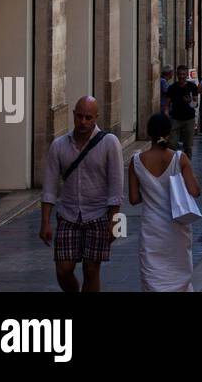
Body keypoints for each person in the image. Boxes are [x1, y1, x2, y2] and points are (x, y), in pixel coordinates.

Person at [40, 96, 124, 292]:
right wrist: (45, 221)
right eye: (79, 116)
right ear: (73, 116)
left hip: (98, 215)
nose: (83, 122)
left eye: (88, 117)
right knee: (63, 269)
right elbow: (50, 187)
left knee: (91, 269)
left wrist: (115, 223)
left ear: (96, 117)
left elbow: (116, 187)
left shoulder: (110, 143)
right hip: (68, 214)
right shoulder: (59, 145)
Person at [128, 112, 200, 292]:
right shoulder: (179, 158)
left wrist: (151, 191)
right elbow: (195, 191)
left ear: (149, 133)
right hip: (177, 228)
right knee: (179, 277)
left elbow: (134, 199)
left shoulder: (136, 161)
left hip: (152, 230)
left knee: (153, 279)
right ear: (169, 133)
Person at [167, 65, 199, 157]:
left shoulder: (192, 87)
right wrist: (166, 115)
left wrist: (190, 102)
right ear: (177, 75)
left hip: (189, 119)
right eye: (180, 74)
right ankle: (172, 164)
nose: (181, 76)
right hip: (175, 119)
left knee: (188, 146)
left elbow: (195, 104)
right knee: (172, 144)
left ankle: (186, 166)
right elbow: (167, 104)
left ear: (186, 75)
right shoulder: (172, 88)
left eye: (183, 74)